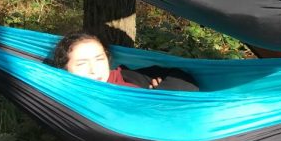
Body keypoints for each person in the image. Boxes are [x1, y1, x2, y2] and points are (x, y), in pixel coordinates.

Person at [49, 31, 199, 91]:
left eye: (99, 59)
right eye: (82, 63)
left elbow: (186, 82)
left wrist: (159, 94)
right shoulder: (69, 99)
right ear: (64, 69)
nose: (93, 69)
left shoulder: (125, 76)